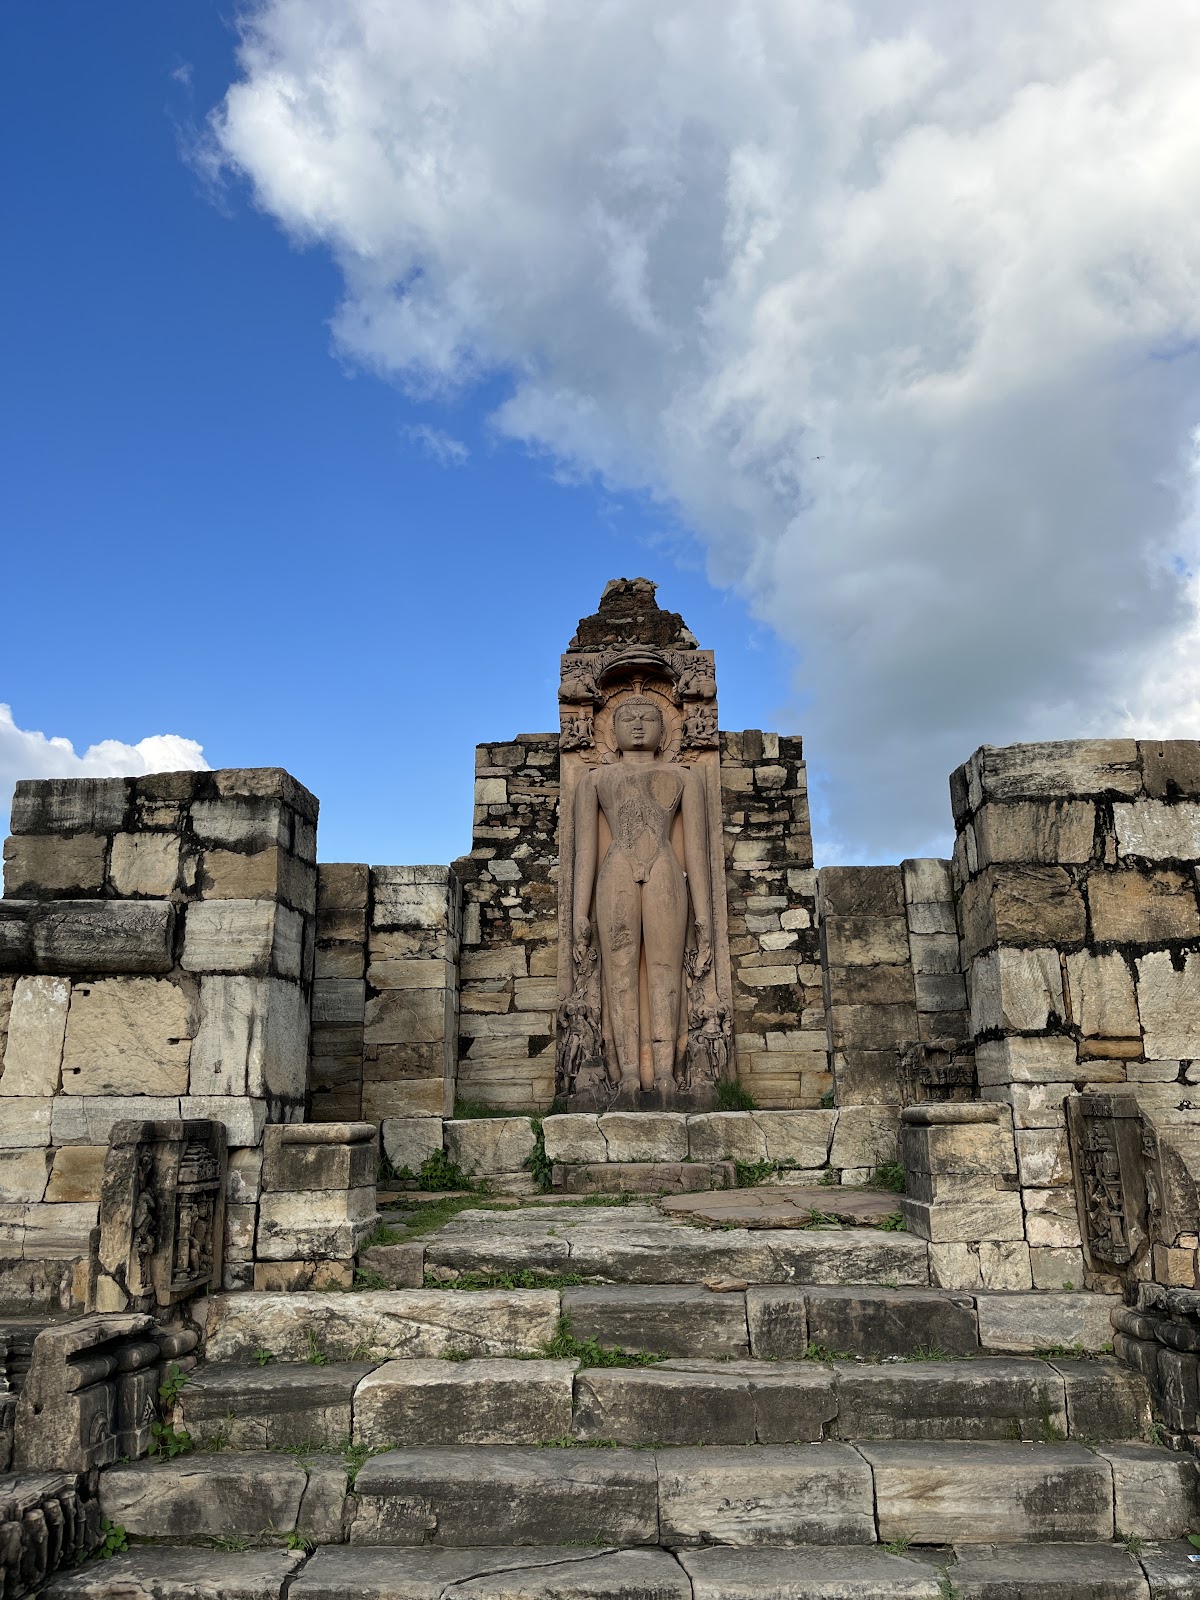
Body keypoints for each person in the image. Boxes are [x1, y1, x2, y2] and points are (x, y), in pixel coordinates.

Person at [571, 696, 713, 1092]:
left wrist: (703, 914)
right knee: (619, 971)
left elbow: (697, 853)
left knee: (666, 969)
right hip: (615, 870)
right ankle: (629, 1073)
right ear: (611, 732)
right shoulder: (595, 781)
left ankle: (665, 1072)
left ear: (664, 729)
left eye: (648, 717)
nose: (637, 724)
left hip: (666, 869)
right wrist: (578, 913)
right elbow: (585, 852)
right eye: (628, 718)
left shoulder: (686, 778)